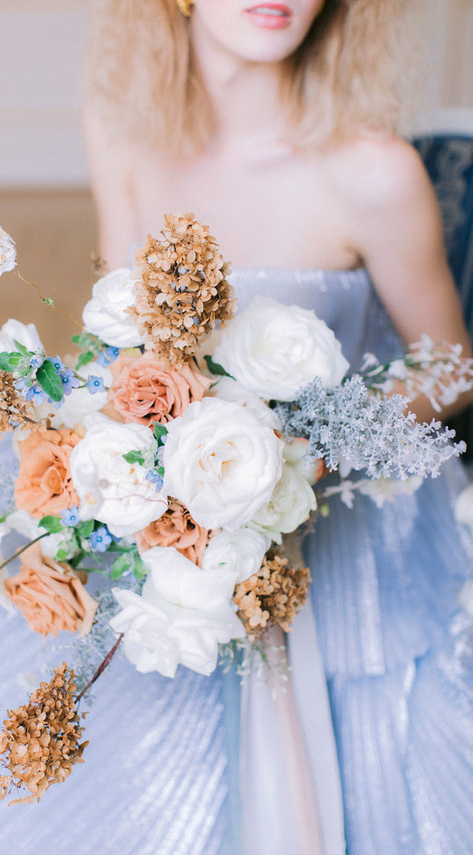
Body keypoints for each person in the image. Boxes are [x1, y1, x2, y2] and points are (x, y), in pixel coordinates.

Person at [79, 1, 473, 853]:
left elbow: (453, 366)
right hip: (180, 527)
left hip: (347, 537)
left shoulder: (372, 171)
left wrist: (309, 444)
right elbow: (118, 339)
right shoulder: (123, 136)